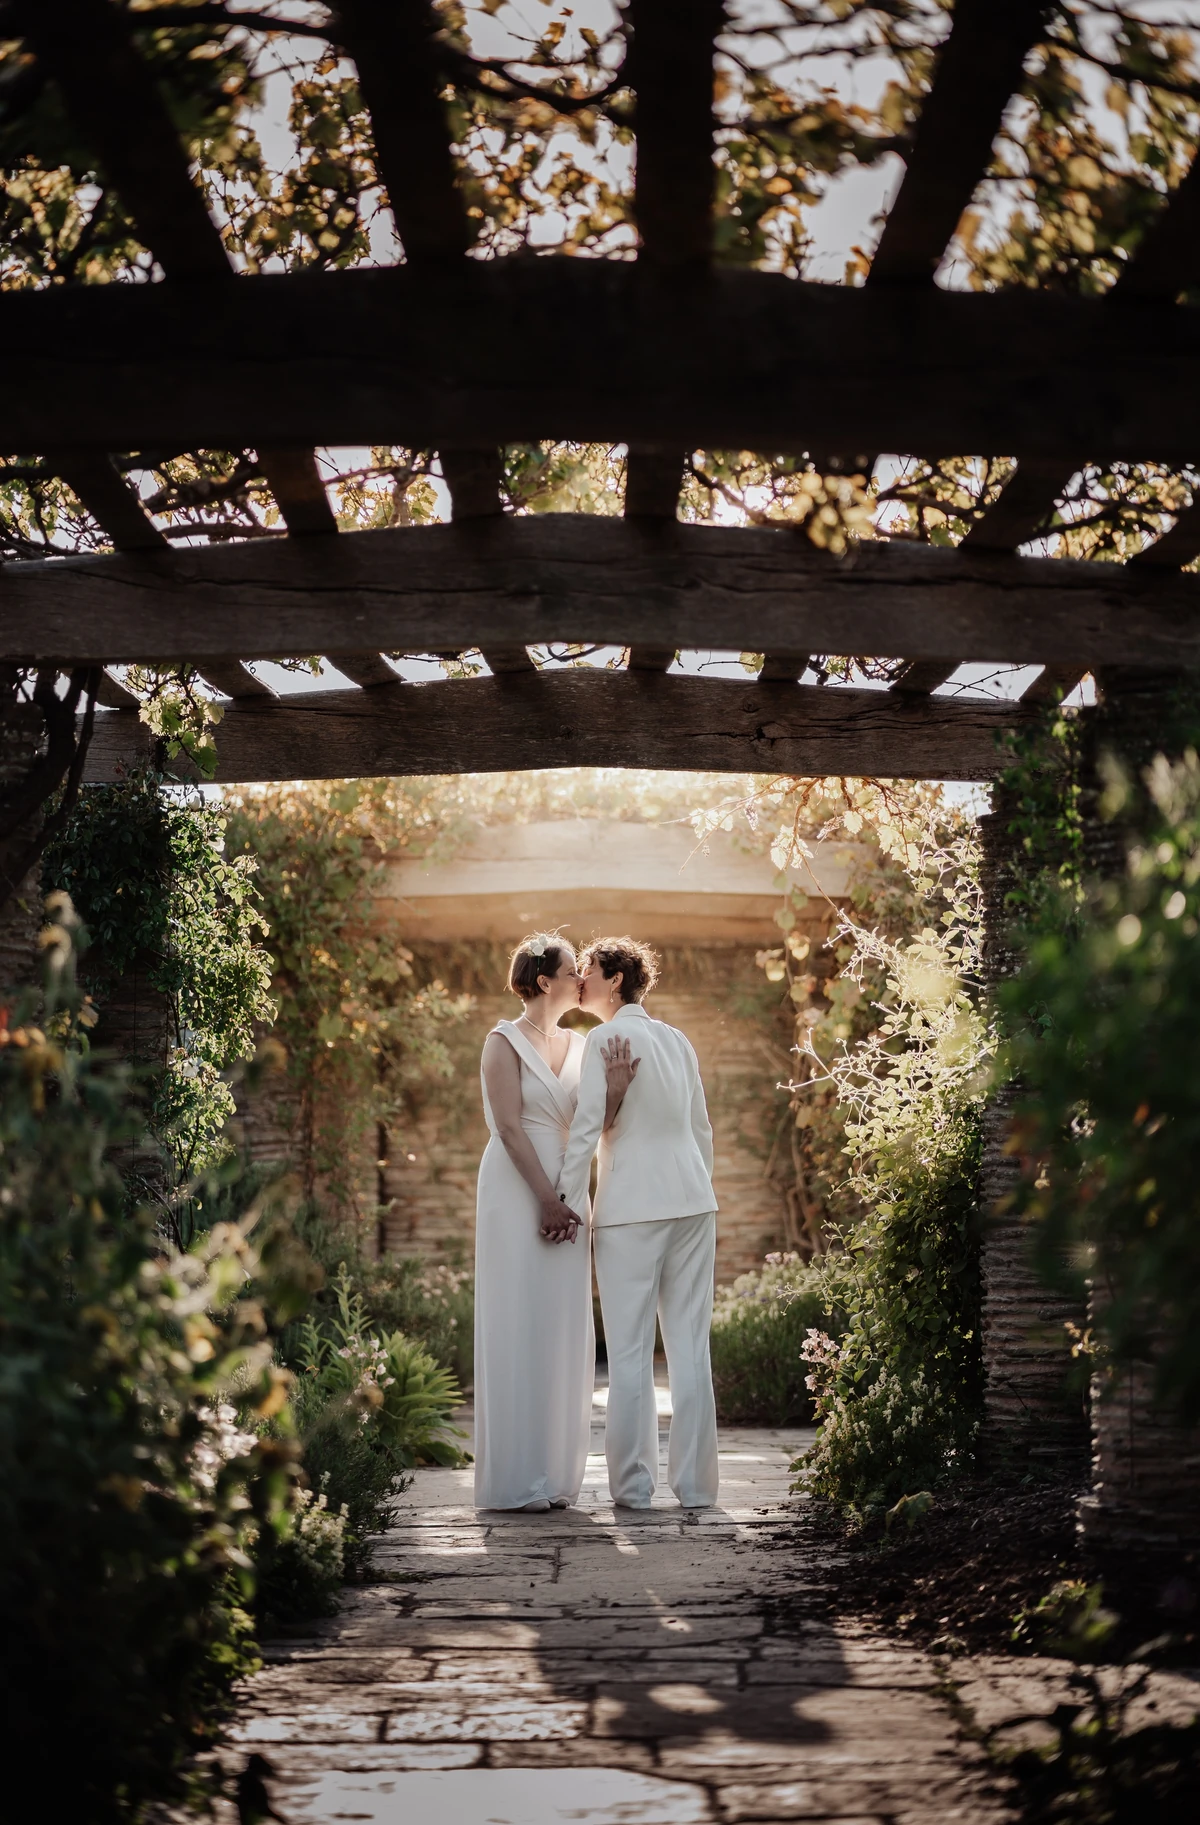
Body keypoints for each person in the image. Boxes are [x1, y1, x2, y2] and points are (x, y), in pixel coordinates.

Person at [558, 936, 720, 1511]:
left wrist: (563, 1199)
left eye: (590, 971)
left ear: (617, 979)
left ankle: (632, 1488)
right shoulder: (678, 1041)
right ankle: (699, 1490)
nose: (581, 979)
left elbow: (585, 1133)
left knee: (628, 1353)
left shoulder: (604, 1039)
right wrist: (697, 1186)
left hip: (631, 1210)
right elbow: (701, 1131)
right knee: (689, 1349)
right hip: (695, 1202)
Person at [472, 932, 629, 1513]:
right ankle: (516, 1476)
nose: (581, 979)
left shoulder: (584, 1045)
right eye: (572, 971)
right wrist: (544, 1198)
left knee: (563, 1325)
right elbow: (509, 1128)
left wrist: (613, 1090)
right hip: (518, 1190)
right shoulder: (502, 1042)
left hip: (569, 1189)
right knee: (517, 1317)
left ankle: (556, 1475)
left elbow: (593, 1123)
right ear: (545, 982)